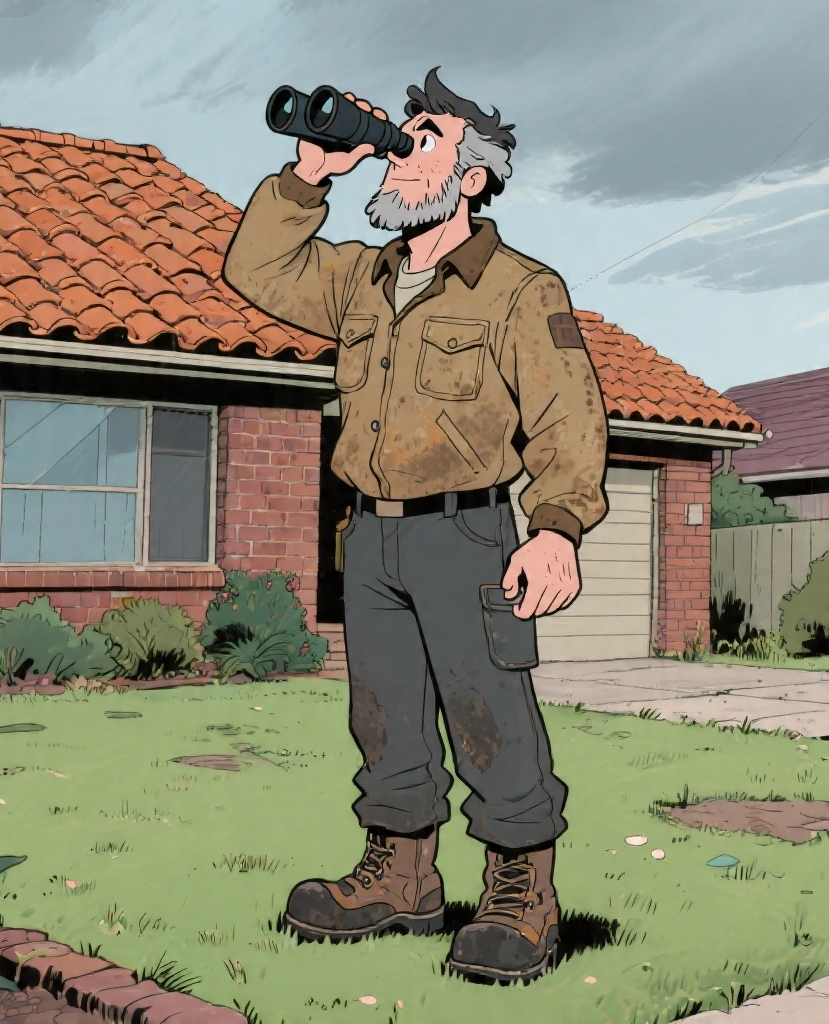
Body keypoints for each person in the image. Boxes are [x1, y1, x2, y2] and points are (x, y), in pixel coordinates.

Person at [222, 67, 609, 984]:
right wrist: (310, 171)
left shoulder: (519, 288)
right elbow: (256, 268)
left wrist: (556, 528)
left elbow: (567, 414)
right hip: (374, 537)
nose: (396, 150)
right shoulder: (364, 278)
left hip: (466, 534)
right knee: (384, 713)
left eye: (420, 136)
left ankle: (524, 891)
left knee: (488, 711)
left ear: (471, 176)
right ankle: (401, 876)